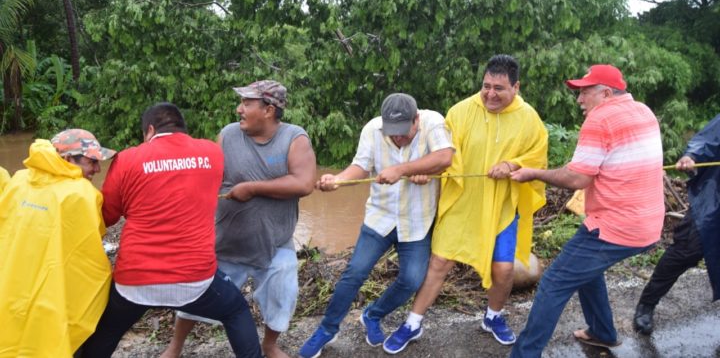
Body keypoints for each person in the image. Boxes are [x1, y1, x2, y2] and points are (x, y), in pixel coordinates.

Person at [384, 54, 548, 354]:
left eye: (499, 88)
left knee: (503, 270)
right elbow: (443, 154)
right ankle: (412, 323)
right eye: (486, 86)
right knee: (439, 264)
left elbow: (537, 156)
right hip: (461, 203)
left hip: (501, 208)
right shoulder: (460, 112)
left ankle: (493, 317)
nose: (490, 94)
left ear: (516, 87)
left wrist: (513, 164)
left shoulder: (530, 118)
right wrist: (428, 172)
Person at [80, 103, 263, 357]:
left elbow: (107, 216)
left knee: (107, 330)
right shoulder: (211, 153)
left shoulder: (127, 158)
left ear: (150, 130)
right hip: (194, 279)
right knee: (236, 311)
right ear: (182, 128)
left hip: (135, 279)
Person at [509, 64, 665, 356]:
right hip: (649, 224)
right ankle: (602, 332)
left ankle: (523, 354)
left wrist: (533, 173)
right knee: (586, 269)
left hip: (615, 227)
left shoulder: (600, 118)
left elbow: (576, 178)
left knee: (554, 282)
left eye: (584, 92)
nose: (579, 100)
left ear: (605, 93)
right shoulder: (644, 110)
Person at [161, 81, 316, 358]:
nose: (239, 109)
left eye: (247, 103)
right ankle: (175, 347)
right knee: (194, 296)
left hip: (274, 245)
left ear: (269, 110)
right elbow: (209, 178)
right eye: (241, 103)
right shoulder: (229, 135)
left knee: (281, 297)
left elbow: (304, 183)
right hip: (225, 244)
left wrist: (253, 188)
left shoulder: (294, 138)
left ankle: (269, 346)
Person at [298, 93, 454, 358]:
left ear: (416, 119)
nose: (398, 138)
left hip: (417, 221)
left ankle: (372, 314)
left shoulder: (434, 122)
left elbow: (445, 157)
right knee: (354, 273)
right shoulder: (372, 128)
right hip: (380, 217)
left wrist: (403, 169)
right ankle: (327, 329)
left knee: (412, 280)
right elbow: (361, 165)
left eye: (403, 133)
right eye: (392, 133)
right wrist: (340, 180)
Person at [0, 129, 115, 356]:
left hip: (11, 287)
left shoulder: (19, 180)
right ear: (67, 159)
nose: (97, 169)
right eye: (91, 161)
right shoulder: (82, 193)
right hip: (53, 293)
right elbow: (89, 252)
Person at [633, 113, 720, 334]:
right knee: (686, 250)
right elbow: (708, 139)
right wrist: (692, 156)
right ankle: (647, 304)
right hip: (714, 202)